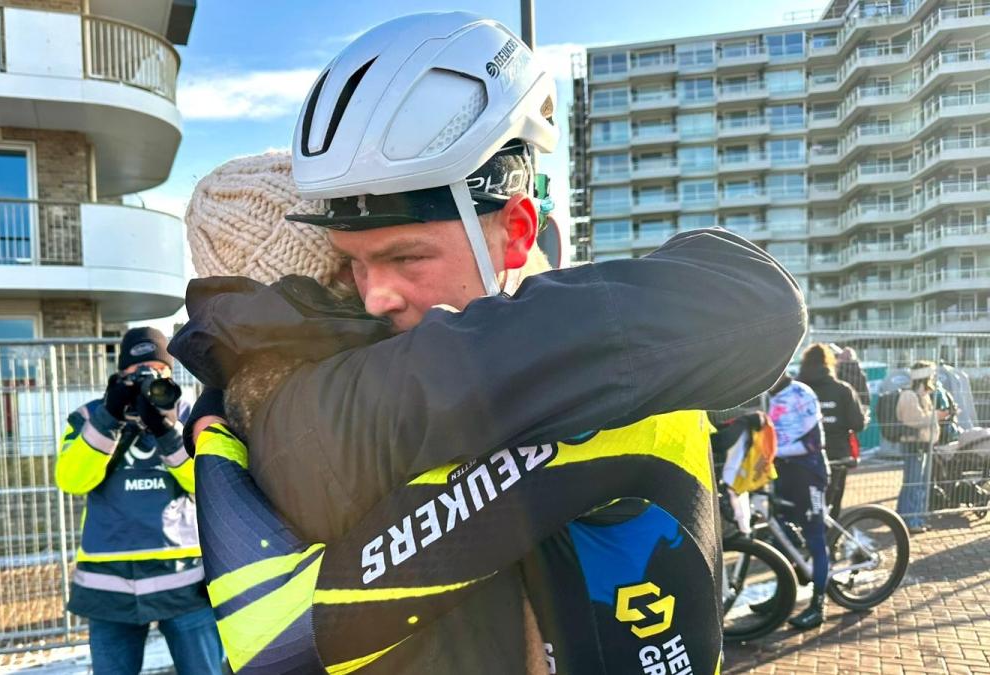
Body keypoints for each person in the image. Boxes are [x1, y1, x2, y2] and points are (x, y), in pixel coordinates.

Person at [171, 13, 807, 674]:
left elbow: (755, 312)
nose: (373, 297)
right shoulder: (317, 410)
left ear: (516, 230)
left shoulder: (277, 404)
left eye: (403, 257)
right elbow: (753, 306)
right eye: (350, 268)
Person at [54, 327, 222, 674]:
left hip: (184, 580)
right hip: (108, 583)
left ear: (170, 374)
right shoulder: (87, 417)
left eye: (156, 372)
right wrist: (109, 416)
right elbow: (71, 480)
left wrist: (165, 431)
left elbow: (206, 483)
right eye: (136, 374)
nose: (147, 380)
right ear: (119, 376)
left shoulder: (190, 413)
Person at [767, 372, 831, 629]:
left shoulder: (801, 393)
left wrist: (773, 451)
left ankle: (818, 605)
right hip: (784, 473)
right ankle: (782, 594)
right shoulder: (768, 395)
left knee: (816, 537)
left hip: (809, 473)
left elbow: (814, 442)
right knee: (778, 534)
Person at [797, 343, 867, 521]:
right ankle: (830, 539)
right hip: (836, 454)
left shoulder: (797, 390)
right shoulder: (842, 390)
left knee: (803, 500)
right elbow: (857, 424)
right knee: (832, 501)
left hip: (802, 454)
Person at [895, 360, 941, 534]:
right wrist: (937, 415)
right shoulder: (909, 395)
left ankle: (908, 517)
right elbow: (914, 420)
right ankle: (911, 520)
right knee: (913, 483)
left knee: (918, 483)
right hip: (913, 444)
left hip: (923, 444)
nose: (934, 377)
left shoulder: (923, 395)